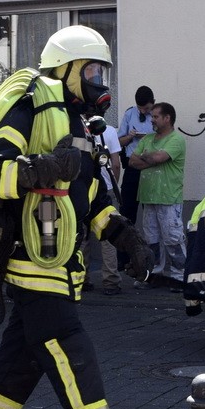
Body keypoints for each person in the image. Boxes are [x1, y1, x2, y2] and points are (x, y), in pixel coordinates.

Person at [0, 25, 166, 409]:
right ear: (68, 71)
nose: (99, 80)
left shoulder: (81, 127)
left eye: (101, 70)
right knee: (68, 348)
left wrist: (127, 238)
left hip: (60, 261)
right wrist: (43, 168)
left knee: (23, 356)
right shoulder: (29, 109)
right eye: (91, 70)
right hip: (33, 260)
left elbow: (90, 203)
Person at [128, 102, 187, 291]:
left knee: (173, 238)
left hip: (168, 197)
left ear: (167, 118)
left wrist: (149, 158)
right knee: (151, 239)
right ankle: (153, 275)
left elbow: (158, 159)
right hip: (148, 197)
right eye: (152, 116)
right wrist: (151, 158)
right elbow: (132, 162)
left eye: (155, 117)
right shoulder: (148, 138)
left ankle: (179, 277)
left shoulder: (176, 139)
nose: (151, 120)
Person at [89, 119, 124, 296]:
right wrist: (113, 185)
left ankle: (80, 279)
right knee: (109, 236)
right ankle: (111, 281)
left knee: (80, 237)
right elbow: (116, 163)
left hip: (83, 190)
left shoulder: (76, 129)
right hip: (105, 190)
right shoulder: (109, 131)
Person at [116, 85, 155, 225]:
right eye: (140, 108)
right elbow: (118, 142)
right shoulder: (130, 114)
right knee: (127, 209)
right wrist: (130, 137)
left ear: (153, 102)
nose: (143, 111)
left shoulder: (157, 116)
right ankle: (125, 244)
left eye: (146, 108)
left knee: (151, 212)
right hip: (132, 167)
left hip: (152, 168)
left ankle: (151, 245)